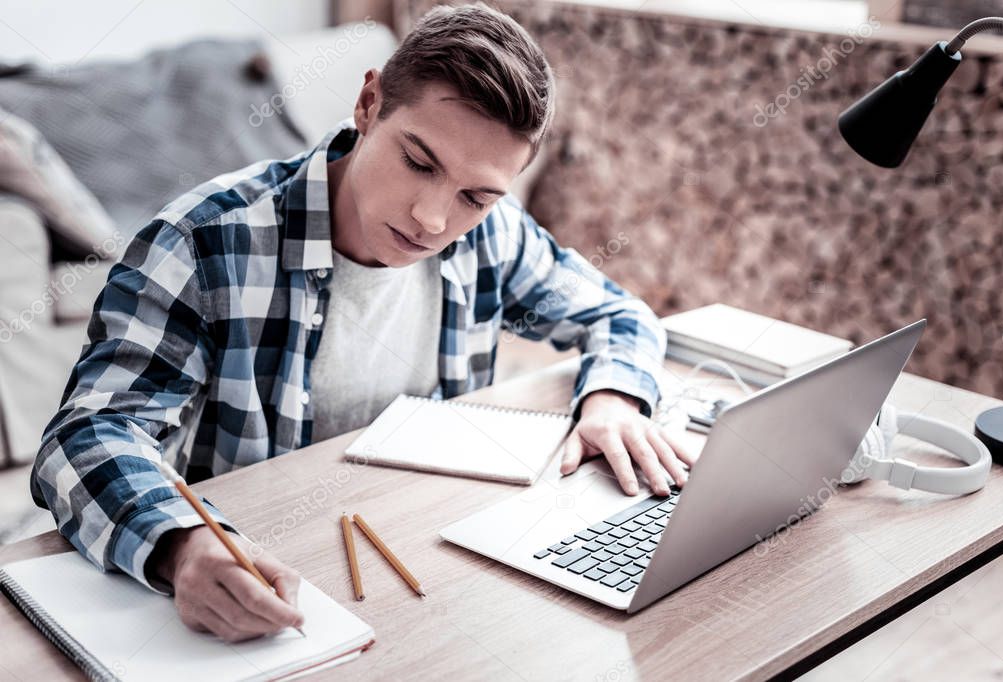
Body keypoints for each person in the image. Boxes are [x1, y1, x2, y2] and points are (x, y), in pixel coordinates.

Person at [30, 3, 692, 643]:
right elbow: (86, 435)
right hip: (257, 578)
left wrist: (613, 399)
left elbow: (615, 313)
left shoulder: (494, 236)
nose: (432, 220)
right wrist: (180, 546)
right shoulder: (205, 241)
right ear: (369, 104)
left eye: (475, 196)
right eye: (418, 161)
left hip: (423, 566)